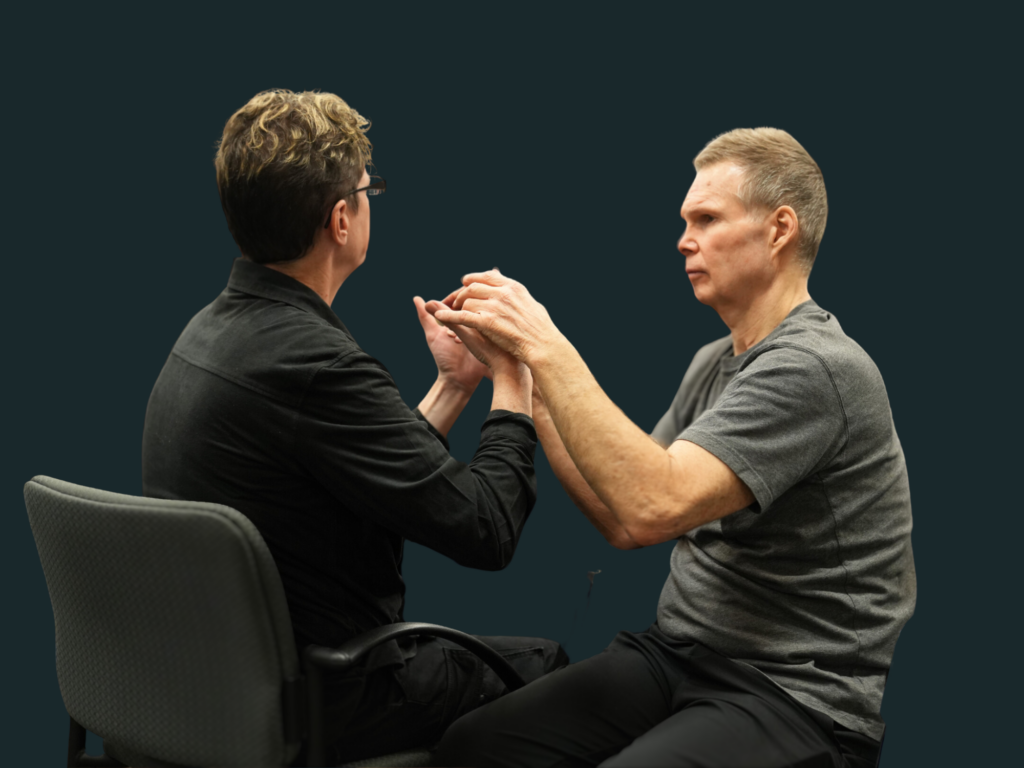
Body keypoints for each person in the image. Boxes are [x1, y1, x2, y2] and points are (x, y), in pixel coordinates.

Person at [429, 128, 915, 768]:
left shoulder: (817, 368)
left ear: (779, 230)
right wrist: (526, 382)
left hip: (794, 695)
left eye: (707, 219)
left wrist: (545, 345)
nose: (684, 240)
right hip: (681, 655)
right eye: (685, 221)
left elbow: (651, 504)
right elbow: (623, 521)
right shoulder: (715, 362)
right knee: (475, 745)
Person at [140, 89, 566, 763]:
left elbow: (372, 473)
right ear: (342, 219)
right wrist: (515, 381)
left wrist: (455, 386)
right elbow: (486, 528)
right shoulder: (316, 364)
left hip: (208, 687)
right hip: (325, 693)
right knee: (551, 673)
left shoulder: (212, 332)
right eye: (369, 191)